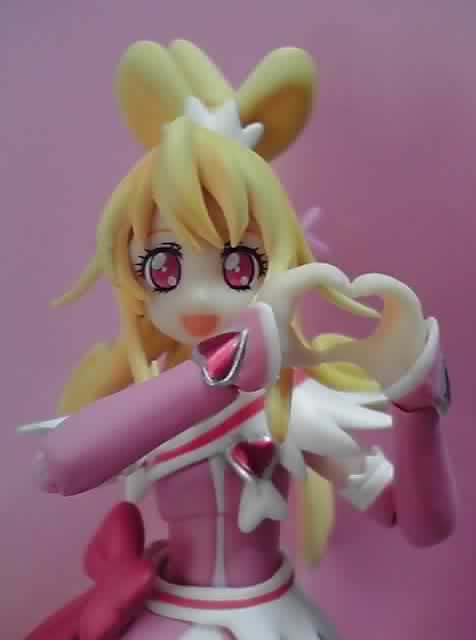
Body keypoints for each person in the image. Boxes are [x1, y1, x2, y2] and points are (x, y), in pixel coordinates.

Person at [24, 40, 456, 640]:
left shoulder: (293, 407)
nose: (199, 300)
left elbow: (421, 525)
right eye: (165, 269)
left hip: (274, 618)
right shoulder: (144, 408)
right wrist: (213, 375)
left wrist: (418, 410)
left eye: (237, 266)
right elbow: (59, 464)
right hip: (171, 616)